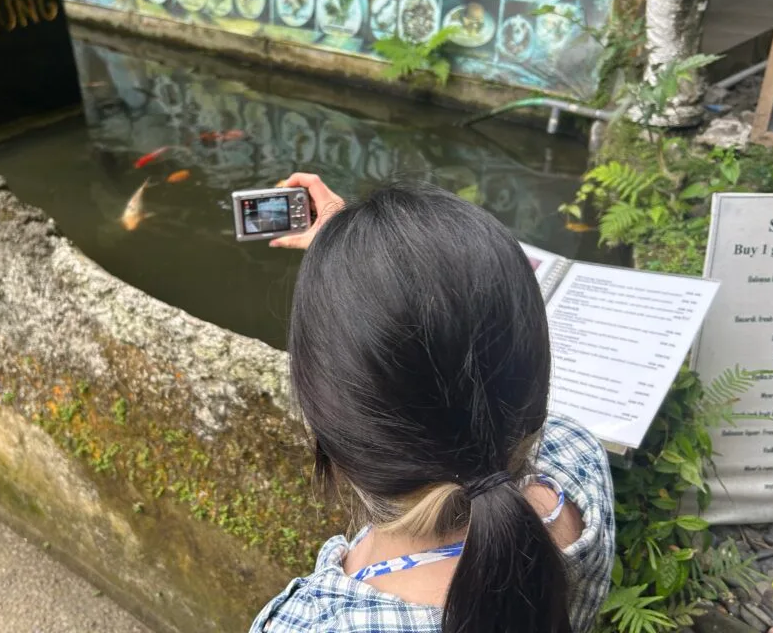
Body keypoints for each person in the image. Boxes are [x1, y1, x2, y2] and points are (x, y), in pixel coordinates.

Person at [255, 173, 615, 633]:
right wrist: (353, 258)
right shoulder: (577, 461)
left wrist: (347, 279)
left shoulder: (310, 623)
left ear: (325, 416)